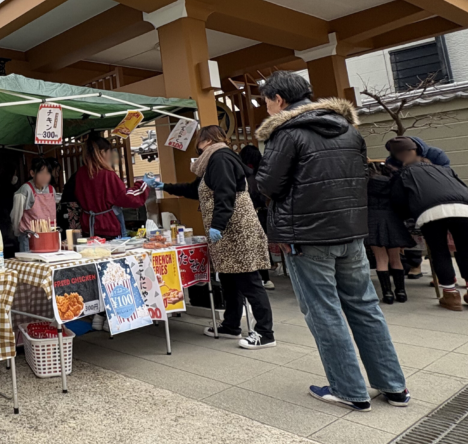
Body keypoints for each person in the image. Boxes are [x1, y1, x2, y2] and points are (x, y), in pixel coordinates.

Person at [256, 70, 409, 411]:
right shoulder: (349, 130)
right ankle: (394, 386)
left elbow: (268, 184)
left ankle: (349, 389)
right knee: (365, 307)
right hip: (351, 230)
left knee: (324, 311)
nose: (266, 108)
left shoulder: (287, 133)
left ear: (279, 100)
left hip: (307, 236)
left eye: (266, 101)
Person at [159, 127, 275, 349]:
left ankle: (265, 332)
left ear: (206, 139)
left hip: (237, 229)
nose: (196, 144)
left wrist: (218, 225)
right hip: (227, 230)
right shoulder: (211, 160)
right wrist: (164, 187)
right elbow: (195, 190)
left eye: (198, 139)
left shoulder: (219, 158)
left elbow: (226, 193)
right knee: (230, 280)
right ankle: (231, 325)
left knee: (248, 280)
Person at [386, 137, 468, 311]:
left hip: (430, 212)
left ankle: (451, 296)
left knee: (440, 253)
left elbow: (399, 202)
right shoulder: (443, 168)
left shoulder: (403, 174)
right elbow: (462, 186)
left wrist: (408, 218)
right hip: (465, 209)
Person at [74, 134, 148, 239]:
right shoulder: (107, 174)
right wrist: (144, 184)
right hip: (108, 226)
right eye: (109, 152)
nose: (110, 156)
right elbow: (126, 197)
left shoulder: (80, 173)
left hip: (88, 226)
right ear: (103, 153)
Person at [367, 163, 414, 304]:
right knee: (396, 259)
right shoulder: (394, 184)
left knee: (381, 259)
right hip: (393, 221)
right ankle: (401, 292)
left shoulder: (367, 185)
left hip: (373, 221)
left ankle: (387, 293)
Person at [240, 144, 274, 290]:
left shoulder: (242, 175)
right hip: (266, 213)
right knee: (262, 245)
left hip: (249, 214)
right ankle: (266, 277)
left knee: (251, 246)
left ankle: (257, 277)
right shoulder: (264, 174)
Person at [12, 158, 57, 252]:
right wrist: (17, 233)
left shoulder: (51, 190)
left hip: (48, 236)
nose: (45, 177)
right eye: (41, 173)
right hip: (29, 237)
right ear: (32, 173)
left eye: (48, 173)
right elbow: (16, 214)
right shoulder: (25, 190)